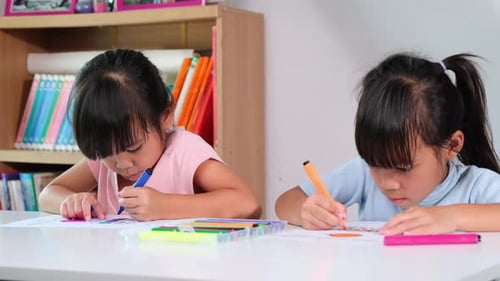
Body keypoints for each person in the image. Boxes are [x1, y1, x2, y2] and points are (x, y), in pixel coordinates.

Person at [275, 52, 500, 235]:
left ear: (451, 145)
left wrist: (451, 216)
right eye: (375, 163)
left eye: (403, 167)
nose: (388, 183)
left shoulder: (475, 187)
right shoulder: (362, 175)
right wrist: (304, 210)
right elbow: (285, 202)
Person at [39, 49, 261, 221]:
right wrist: (71, 202)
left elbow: (247, 203)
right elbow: (49, 193)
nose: (123, 163)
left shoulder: (185, 151)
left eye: (134, 147)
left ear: (165, 117)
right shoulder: (103, 162)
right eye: (107, 152)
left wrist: (165, 206)